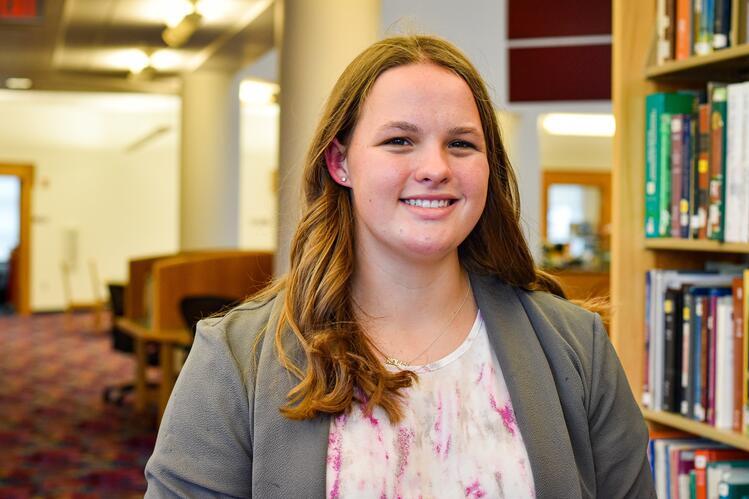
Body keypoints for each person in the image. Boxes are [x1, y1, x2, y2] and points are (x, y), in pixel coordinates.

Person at [145, 35, 655, 498]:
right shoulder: (235, 358)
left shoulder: (576, 347)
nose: (435, 169)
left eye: (461, 143)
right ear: (340, 162)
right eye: (399, 141)